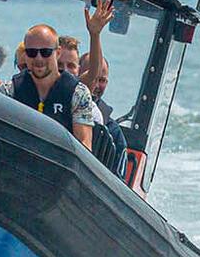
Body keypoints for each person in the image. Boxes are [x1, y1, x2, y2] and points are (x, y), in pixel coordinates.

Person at [9, 23, 93, 151]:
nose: (38, 58)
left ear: (58, 53)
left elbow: (84, 147)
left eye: (45, 52)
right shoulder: (10, 91)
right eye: (32, 52)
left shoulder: (78, 94)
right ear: (25, 55)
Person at [86, 57, 131, 179]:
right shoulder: (60, 108)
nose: (96, 85)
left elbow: (119, 181)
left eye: (102, 80)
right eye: (91, 76)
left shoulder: (114, 133)